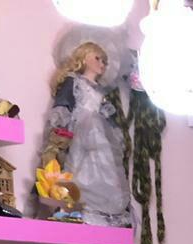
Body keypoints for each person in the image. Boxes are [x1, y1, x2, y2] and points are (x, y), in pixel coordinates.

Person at [42, 36, 132, 228]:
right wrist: (59, 129)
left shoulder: (101, 92)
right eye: (97, 58)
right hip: (81, 132)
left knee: (105, 167)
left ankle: (102, 209)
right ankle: (80, 204)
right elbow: (64, 106)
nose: (102, 64)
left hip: (99, 135)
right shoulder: (74, 82)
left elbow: (108, 117)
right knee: (78, 168)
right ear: (84, 57)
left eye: (104, 61)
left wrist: (115, 135)